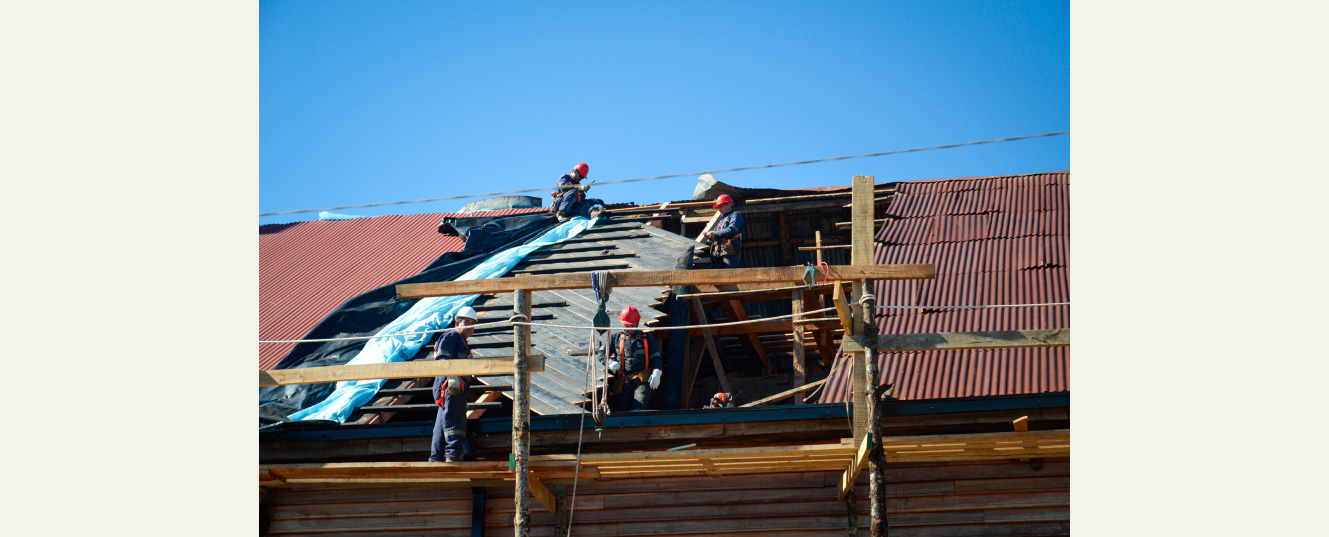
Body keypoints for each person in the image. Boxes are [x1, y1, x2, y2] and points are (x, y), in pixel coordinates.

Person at [429, 306, 480, 462]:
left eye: (473, 323)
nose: (470, 326)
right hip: (451, 387)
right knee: (455, 419)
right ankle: (454, 455)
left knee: (442, 423)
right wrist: (452, 377)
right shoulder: (451, 336)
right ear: (457, 323)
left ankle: (436, 458)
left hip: (454, 387)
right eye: (467, 322)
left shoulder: (462, 342)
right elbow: (442, 358)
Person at [599, 306, 663, 411]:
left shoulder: (647, 338)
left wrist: (657, 372)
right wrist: (609, 362)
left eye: (632, 325)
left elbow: (656, 357)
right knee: (624, 409)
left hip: (642, 379)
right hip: (625, 381)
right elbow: (601, 354)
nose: (630, 328)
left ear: (637, 323)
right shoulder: (616, 338)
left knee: (639, 407)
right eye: (627, 325)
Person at [703, 194, 745, 268]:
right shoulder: (721, 221)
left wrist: (714, 233)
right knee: (717, 273)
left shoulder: (735, 215)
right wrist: (709, 236)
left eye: (721, 206)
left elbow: (732, 230)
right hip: (717, 252)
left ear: (729, 205)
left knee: (731, 273)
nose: (719, 209)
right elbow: (716, 235)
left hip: (729, 251)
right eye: (718, 207)